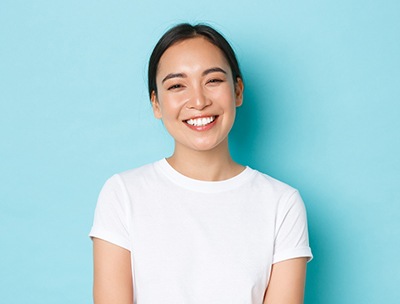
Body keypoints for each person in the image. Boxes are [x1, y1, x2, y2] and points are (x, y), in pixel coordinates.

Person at [90, 23, 312, 304]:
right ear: (156, 104)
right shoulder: (122, 193)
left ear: (238, 91)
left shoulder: (282, 203)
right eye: (177, 85)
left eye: (213, 81)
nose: (198, 100)